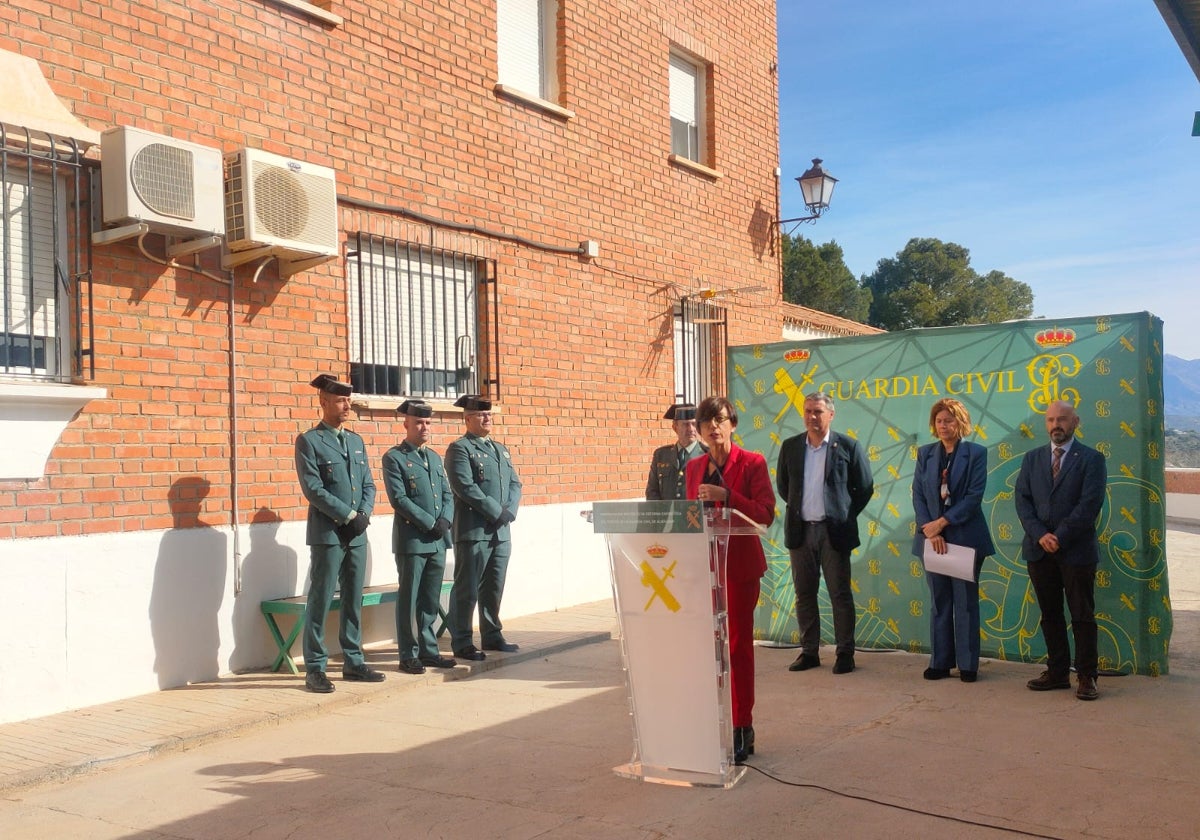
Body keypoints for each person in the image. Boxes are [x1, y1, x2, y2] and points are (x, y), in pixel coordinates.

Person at [685, 396, 775, 765]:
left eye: (720, 420)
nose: (713, 427)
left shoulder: (753, 463)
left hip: (738, 568)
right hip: (702, 569)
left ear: (732, 424)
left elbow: (765, 514)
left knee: (737, 646)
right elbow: (688, 516)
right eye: (706, 422)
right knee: (708, 650)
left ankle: (742, 726)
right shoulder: (693, 468)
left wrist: (728, 496)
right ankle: (708, 723)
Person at [294, 374, 385, 693]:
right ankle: (315, 668)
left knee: (353, 599)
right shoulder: (310, 441)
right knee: (320, 599)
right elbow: (313, 488)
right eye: (340, 400)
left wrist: (363, 515)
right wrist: (347, 515)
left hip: (357, 534)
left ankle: (353, 661)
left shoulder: (356, 441)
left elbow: (370, 484)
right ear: (322, 402)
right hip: (328, 534)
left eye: (348, 400)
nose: (347, 405)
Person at [1014, 400, 1107, 701]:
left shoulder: (1092, 459)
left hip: (1076, 551)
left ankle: (1086, 676)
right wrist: (1041, 535)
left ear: (1075, 422)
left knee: (1082, 615)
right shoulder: (1031, 459)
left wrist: (1060, 536)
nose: (1056, 425)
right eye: (1051, 420)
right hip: (1039, 550)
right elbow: (1022, 501)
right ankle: (1056, 672)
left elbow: (1089, 505)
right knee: (1049, 613)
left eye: (1062, 419)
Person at [776, 391, 874, 675]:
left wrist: (843, 512)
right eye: (807, 411)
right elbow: (785, 487)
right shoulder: (791, 447)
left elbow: (865, 487)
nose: (812, 417)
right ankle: (809, 652)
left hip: (834, 533)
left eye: (818, 411)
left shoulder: (848, 446)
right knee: (804, 594)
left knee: (839, 594)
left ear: (831, 414)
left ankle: (845, 653)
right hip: (801, 532)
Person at [911, 398, 996, 683]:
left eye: (949, 420)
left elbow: (973, 497)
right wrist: (928, 529)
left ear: (960, 423)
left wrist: (942, 523)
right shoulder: (925, 454)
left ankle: (968, 665)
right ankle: (940, 662)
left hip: (964, 537)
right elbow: (919, 495)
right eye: (939, 421)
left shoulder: (976, 453)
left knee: (965, 602)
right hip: (931, 538)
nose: (943, 425)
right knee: (939, 601)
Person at [444, 395, 523, 661]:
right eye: (481, 415)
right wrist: (495, 511)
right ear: (467, 419)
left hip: (501, 531)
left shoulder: (500, 449)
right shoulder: (460, 449)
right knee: (467, 588)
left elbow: (515, 483)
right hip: (474, 530)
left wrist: (509, 512)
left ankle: (492, 634)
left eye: (489, 414)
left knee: (493, 586)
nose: (487, 418)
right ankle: (463, 640)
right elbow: (464, 486)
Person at [383, 399, 457, 675]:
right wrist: (429, 523)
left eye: (427, 422)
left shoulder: (435, 457)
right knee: (410, 597)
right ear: (406, 424)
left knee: (430, 598)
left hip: (439, 540)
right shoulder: (395, 457)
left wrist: (446, 520)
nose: (424, 427)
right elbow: (399, 499)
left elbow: (447, 494)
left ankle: (429, 650)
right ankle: (407, 653)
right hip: (413, 540)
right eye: (418, 422)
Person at [645, 403, 706, 500]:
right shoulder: (661, 455)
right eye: (685, 425)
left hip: (694, 514)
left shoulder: (707, 455)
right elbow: (652, 492)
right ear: (675, 427)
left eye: (694, 424)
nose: (691, 429)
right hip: (667, 514)